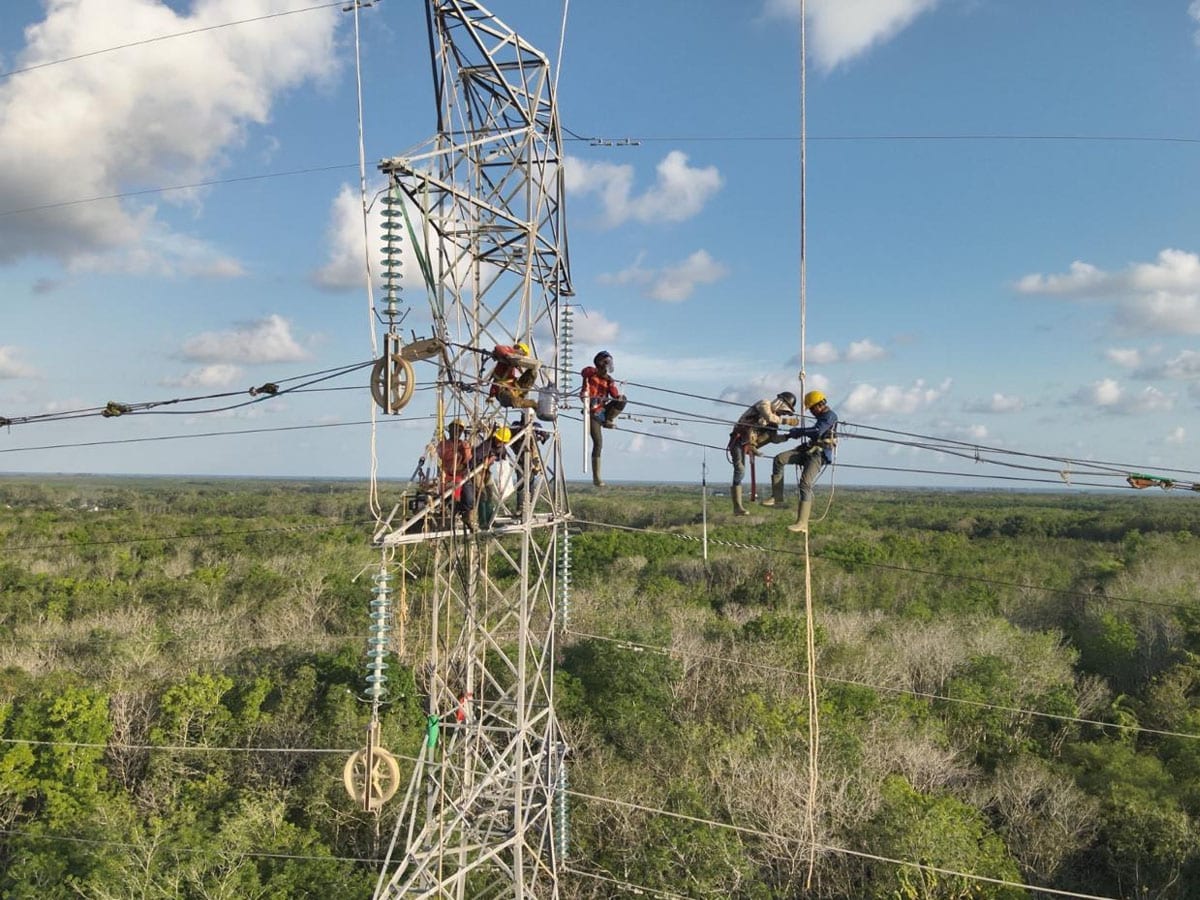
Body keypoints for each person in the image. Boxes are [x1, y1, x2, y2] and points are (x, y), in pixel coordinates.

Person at [761, 390, 838, 534]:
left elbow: (817, 431)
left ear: (820, 405)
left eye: (812, 408)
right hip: (808, 450)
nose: (812, 412)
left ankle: (802, 523)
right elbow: (813, 432)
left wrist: (800, 431)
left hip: (819, 454)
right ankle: (777, 497)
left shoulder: (830, 416)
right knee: (779, 459)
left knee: (805, 484)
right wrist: (793, 434)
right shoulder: (821, 417)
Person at [726, 391, 800, 516]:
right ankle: (737, 506)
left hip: (752, 441)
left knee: (771, 431)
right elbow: (769, 417)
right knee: (740, 470)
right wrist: (787, 421)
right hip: (739, 440)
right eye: (783, 411)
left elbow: (774, 438)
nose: (782, 414)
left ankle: (753, 446)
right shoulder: (764, 404)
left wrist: (789, 436)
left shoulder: (774, 421)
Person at [579, 350, 627, 487]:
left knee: (623, 399)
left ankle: (608, 420)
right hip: (592, 413)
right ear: (600, 363)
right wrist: (598, 373)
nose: (608, 366)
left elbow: (615, 395)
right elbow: (585, 372)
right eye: (606, 363)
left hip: (603, 411)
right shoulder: (590, 373)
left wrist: (616, 392)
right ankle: (596, 477)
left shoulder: (608, 380)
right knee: (598, 443)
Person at [435, 419, 476, 531]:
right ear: (450, 430)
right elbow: (443, 455)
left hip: (461, 476)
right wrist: (457, 452)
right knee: (451, 499)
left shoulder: (464, 445)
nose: (457, 432)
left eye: (459, 430)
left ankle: (466, 516)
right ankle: (450, 520)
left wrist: (465, 449)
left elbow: (468, 459)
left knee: (469, 498)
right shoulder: (443, 445)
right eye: (455, 429)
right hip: (448, 476)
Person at [487, 342, 539, 410]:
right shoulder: (508, 353)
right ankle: (532, 404)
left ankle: (521, 397)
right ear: (520, 349)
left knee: (533, 372)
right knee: (514, 401)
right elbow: (498, 348)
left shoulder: (515, 363)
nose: (522, 356)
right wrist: (511, 353)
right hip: (503, 392)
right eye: (522, 353)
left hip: (514, 388)